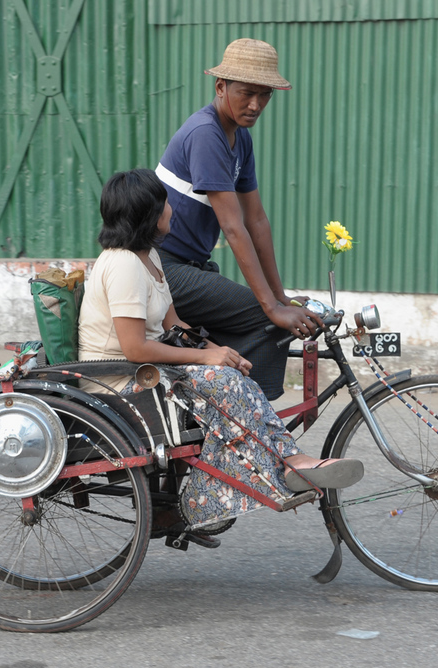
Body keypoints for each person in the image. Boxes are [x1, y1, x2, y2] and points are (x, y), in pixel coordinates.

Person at [77, 169, 362, 535]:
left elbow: (174, 327)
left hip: (146, 372)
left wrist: (219, 350)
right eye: (164, 204)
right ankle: (282, 464)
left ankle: (287, 462)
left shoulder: (149, 258)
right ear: (149, 214)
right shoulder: (123, 265)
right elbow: (133, 346)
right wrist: (206, 358)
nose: (171, 211)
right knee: (222, 381)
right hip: (119, 384)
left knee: (233, 375)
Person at [154, 38, 319, 401]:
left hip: (192, 266)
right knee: (265, 320)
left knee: (274, 314)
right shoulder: (206, 134)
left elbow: (257, 220)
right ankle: (243, 418)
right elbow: (233, 227)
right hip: (162, 269)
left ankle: (218, 402)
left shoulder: (239, 138)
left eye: (265, 95)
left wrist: (280, 297)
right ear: (220, 87)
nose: (256, 104)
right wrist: (271, 309)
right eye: (246, 93)